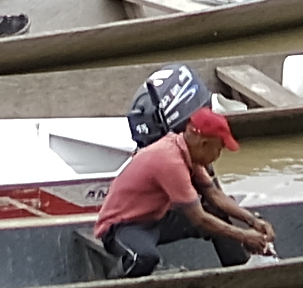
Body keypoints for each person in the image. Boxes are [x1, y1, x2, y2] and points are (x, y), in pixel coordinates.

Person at [86, 104, 277, 275]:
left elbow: (214, 194)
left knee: (215, 210)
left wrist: (252, 220)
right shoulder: (170, 161)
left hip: (156, 220)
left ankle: (239, 273)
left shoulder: (186, 151)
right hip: (122, 227)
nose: (218, 156)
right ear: (204, 144)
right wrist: (244, 236)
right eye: (219, 149)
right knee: (144, 258)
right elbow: (199, 218)